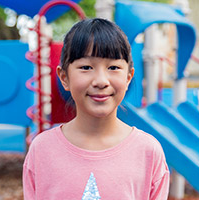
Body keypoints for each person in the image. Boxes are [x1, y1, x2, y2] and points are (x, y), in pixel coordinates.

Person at [23, 18, 169, 200]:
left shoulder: (148, 152)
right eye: (86, 67)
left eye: (113, 67)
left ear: (128, 77)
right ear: (64, 77)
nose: (101, 81)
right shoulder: (42, 149)